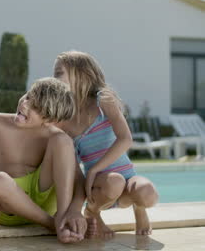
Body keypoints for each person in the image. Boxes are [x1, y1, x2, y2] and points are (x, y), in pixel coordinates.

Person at [0, 77, 90, 244]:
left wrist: (75, 211)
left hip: (42, 199)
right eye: (27, 97)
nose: (25, 105)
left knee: (63, 140)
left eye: (35, 107)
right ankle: (54, 225)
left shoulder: (54, 136)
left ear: (49, 119)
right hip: (8, 205)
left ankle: (62, 216)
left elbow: (78, 179)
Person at [53, 50, 159, 238]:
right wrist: (76, 206)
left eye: (59, 73)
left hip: (126, 180)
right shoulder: (63, 121)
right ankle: (93, 212)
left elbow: (125, 139)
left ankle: (139, 208)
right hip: (101, 187)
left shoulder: (104, 100)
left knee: (147, 192)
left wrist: (94, 169)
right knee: (114, 181)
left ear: (81, 74)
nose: (54, 78)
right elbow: (73, 169)